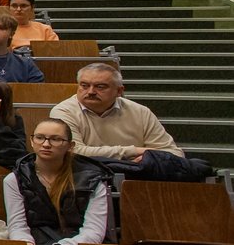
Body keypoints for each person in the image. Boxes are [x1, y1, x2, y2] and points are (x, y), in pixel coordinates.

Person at [50, 62, 210, 181]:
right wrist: (136, 152)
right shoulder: (64, 111)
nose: (91, 92)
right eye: (84, 86)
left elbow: (174, 153)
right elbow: (74, 153)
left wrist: (146, 159)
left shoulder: (140, 112)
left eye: (100, 87)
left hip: (138, 179)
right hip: (84, 180)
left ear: (119, 91)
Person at [5, 119, 109, 245]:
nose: (46, 144)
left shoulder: (92, 179)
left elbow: (94, 231)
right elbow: (17, 227)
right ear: (31, 141)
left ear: (70, 146)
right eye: (40, 138)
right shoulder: (15, 179)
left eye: (56, 139)